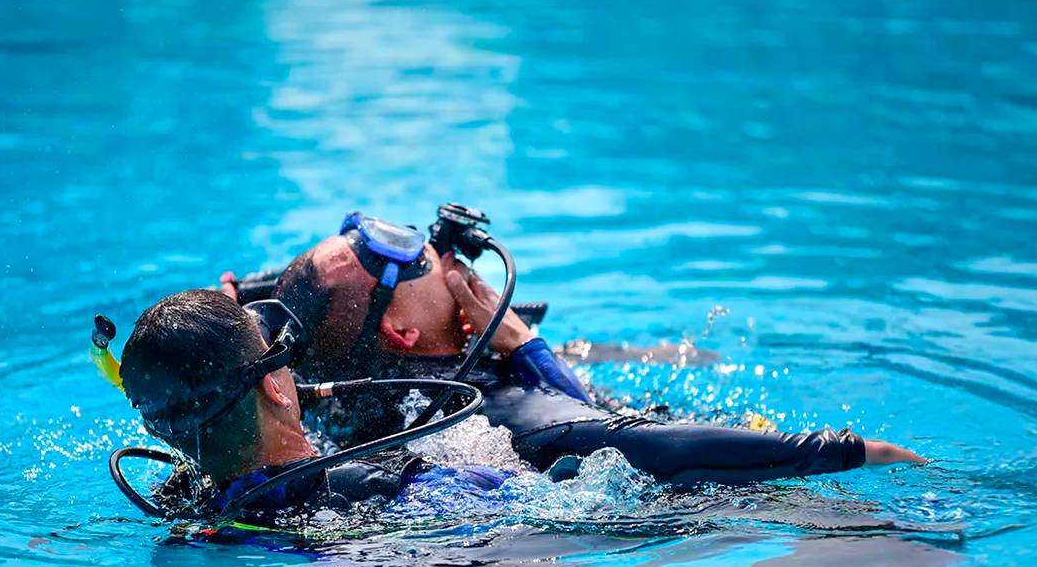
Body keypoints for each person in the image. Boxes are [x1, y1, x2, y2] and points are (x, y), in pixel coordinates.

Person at [219, 218, 925, 487]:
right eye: (415, 262)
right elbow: (634, 443)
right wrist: (837, 450)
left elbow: (320, 301)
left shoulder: (329, 388)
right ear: (402, 335)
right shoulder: (494, 409)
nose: (437, 252)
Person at [118, 288, 511, 524]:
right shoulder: (399, 487)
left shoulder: (186, 507)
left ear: (156, 429)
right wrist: (527, 349)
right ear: (274, 387)